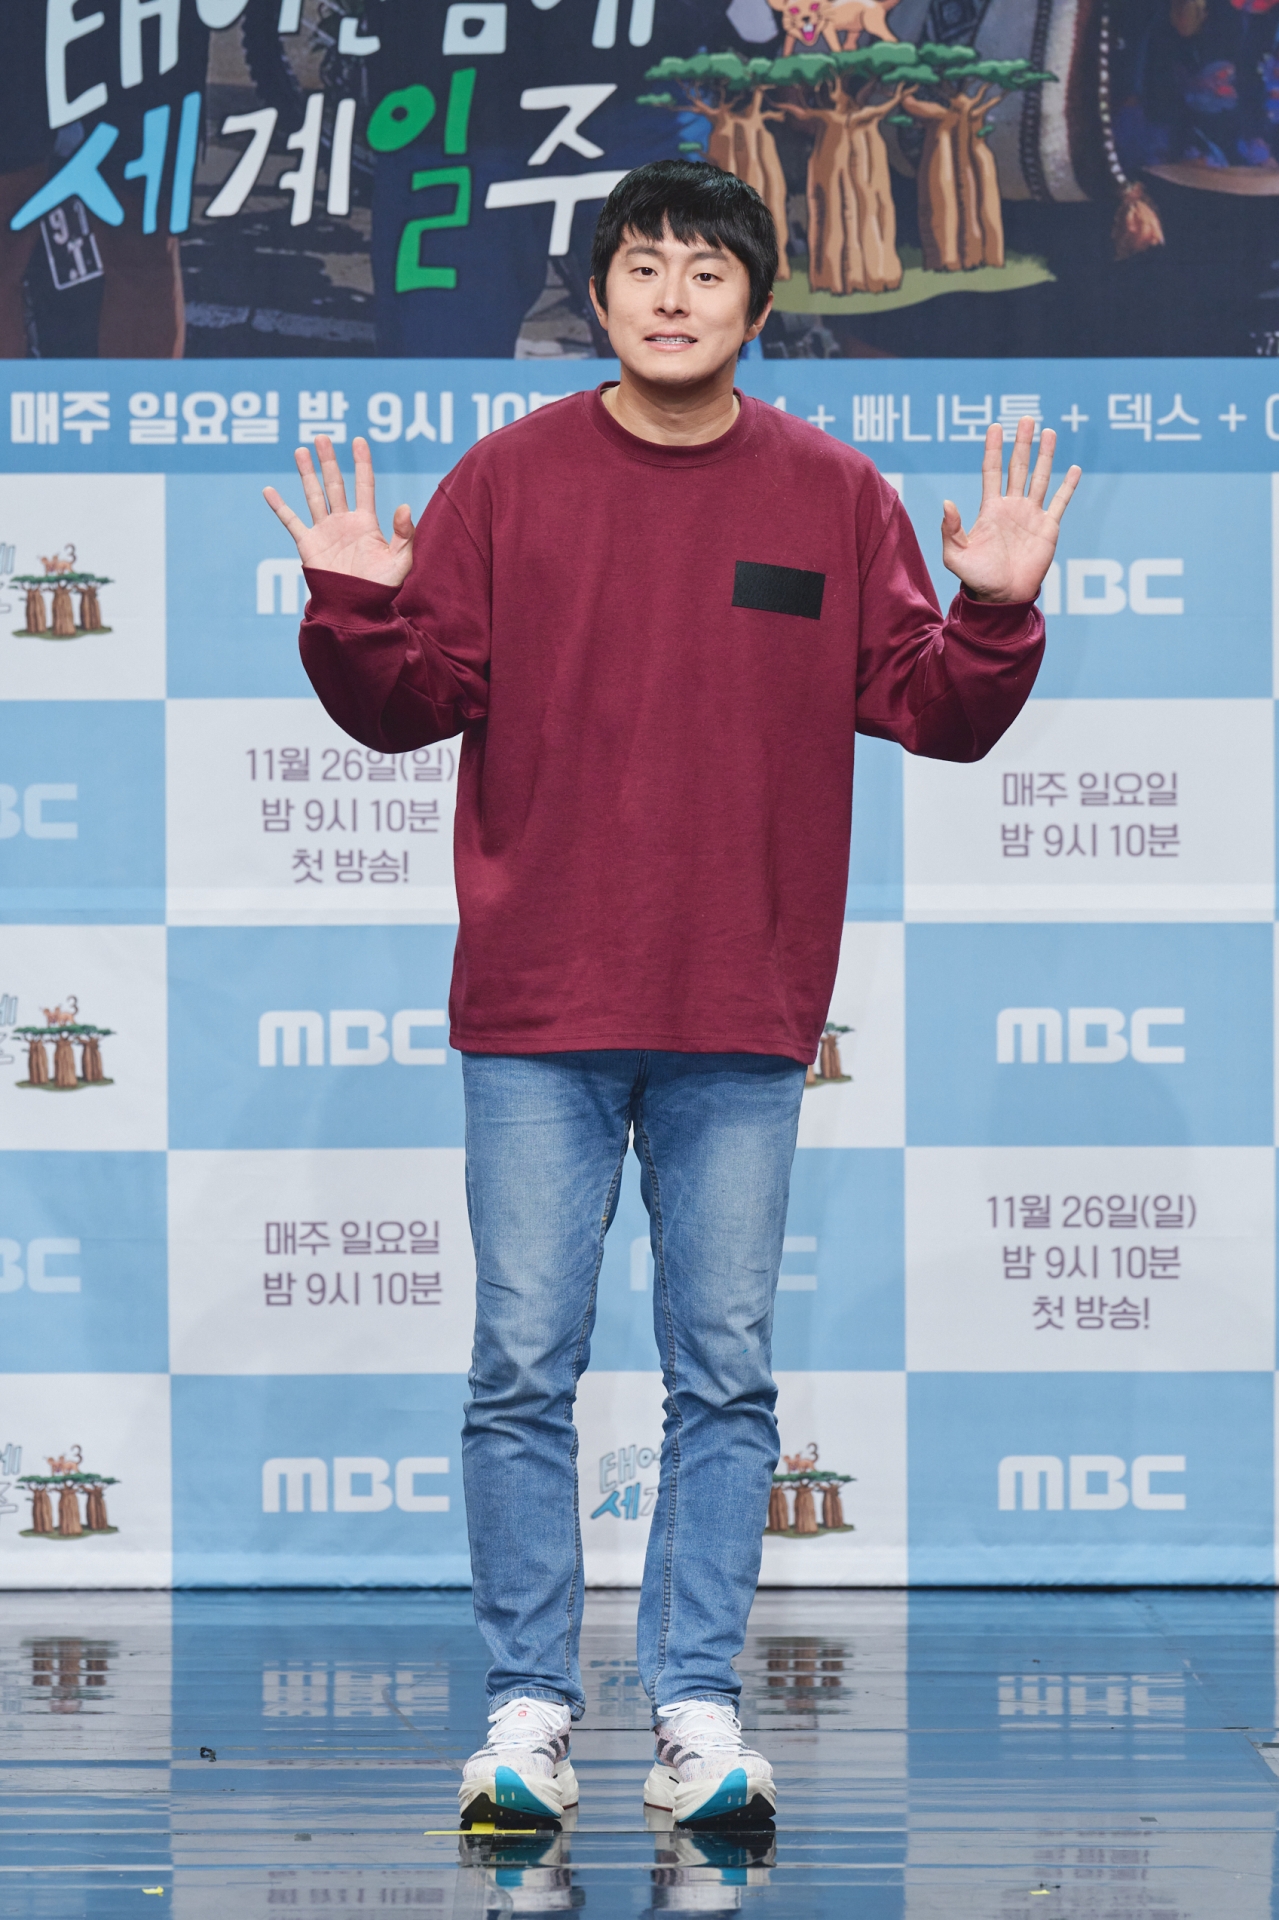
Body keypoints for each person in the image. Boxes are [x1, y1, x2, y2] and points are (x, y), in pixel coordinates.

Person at [265, 158, 1080, 1831]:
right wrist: (351, 602)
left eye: (707, 271)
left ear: (759, 307)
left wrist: (996, 617)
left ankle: (697, 1707)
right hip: (539, 1006)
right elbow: (409, 702)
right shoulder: (507, 479)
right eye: (641, 264)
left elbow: (931, 707)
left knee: (725, 1377)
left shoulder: (834, 493)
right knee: (520, 1368)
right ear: (601, 295)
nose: (671, 296)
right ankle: (529, 1710)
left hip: (741, 1004)